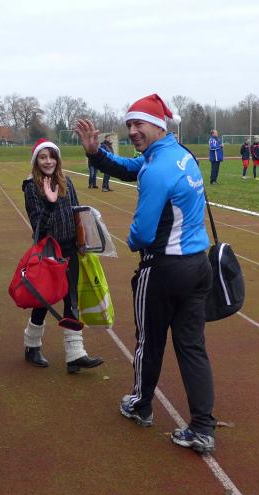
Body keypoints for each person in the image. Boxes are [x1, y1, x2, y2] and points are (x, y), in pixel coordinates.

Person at [74, 94, 217, 454]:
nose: (133, 130)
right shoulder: (179, 154)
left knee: (148, 342)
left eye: (139, 123)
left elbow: (140, 233)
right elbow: (130, 168)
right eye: (129, 125)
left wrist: (129, 240)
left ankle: (141, 405)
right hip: (197, 265)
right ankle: (202, 427)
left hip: (164, 269)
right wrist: (96, 154)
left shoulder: (156, 169)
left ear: (157, 124)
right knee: (192, 347)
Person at [22, 139, 105, 374]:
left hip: (70, 249)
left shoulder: (66, 182)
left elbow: (76, 213)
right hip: (48, 251)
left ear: (57, 159)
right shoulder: (31, 187)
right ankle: (31, 345)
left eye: (52, 156)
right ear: (36, 161)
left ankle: (75, 354)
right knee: (44, 300)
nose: (48, 161)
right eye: (43, 157)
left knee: (72, 299)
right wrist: (50, 204)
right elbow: (38, 225)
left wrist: (82, 241)